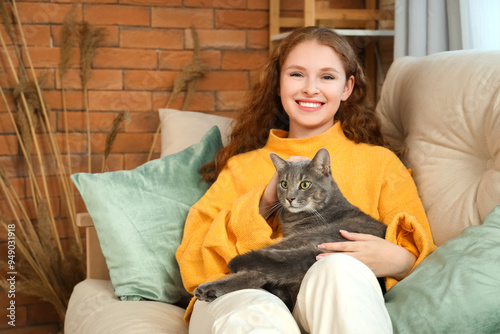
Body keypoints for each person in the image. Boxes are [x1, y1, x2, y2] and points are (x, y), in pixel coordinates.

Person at [176, 26, 436, 333]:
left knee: (338, 270)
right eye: (297, 74)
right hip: (243, 297)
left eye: (327, 77)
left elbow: (424, 257)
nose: (310, 88)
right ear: (278, 83)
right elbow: (193, 254)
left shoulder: (379, 162)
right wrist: (264, 201)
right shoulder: (241, 167)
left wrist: (398, 261)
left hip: (326, 297)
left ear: (347, 87)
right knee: (254, 314)